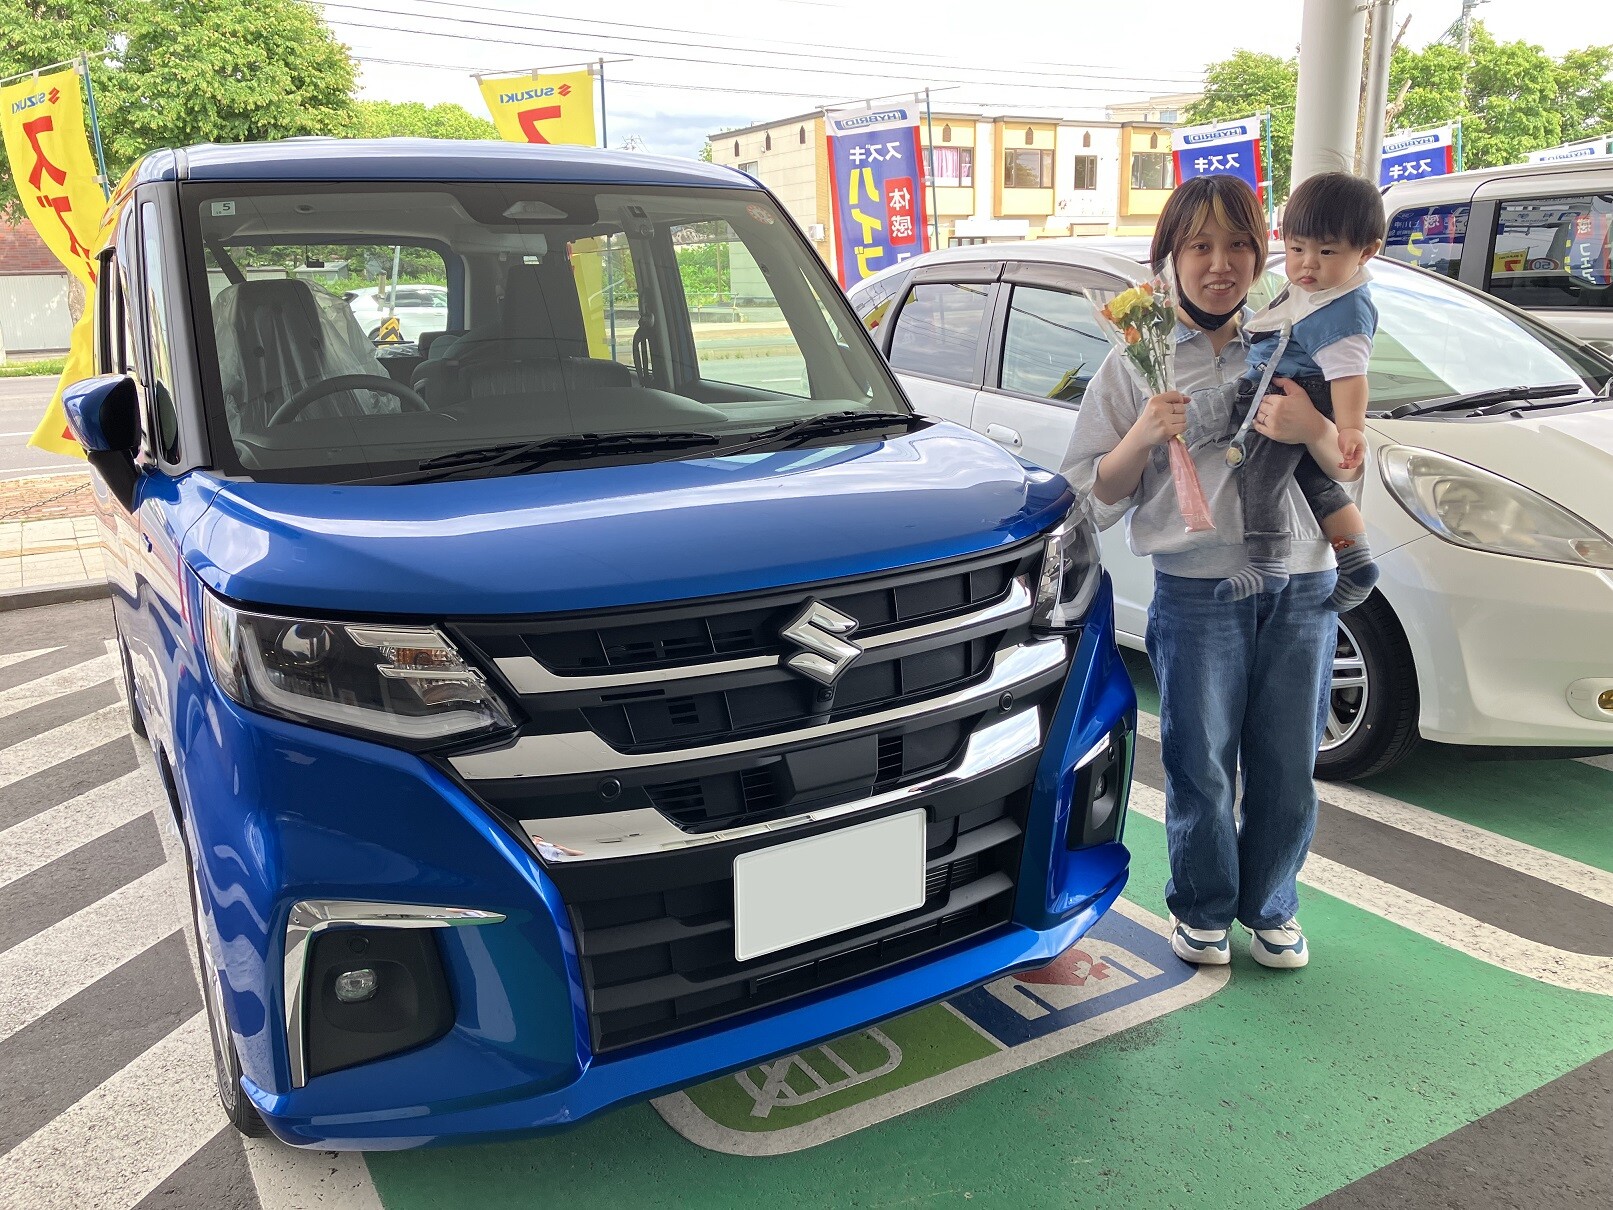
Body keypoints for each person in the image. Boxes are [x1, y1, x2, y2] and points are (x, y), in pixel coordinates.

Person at [1063, 174, 1363, 970]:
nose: (1220, 263)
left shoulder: (1298, 337)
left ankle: (1271, 906)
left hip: (1302, 584)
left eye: (1237, 245)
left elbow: (1351, 465)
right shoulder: (1135, 360)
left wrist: (1310, 425)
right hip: (1196, 593)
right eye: (1199, 246)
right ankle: (1201, 908)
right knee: (1199, 763)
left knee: (1287, 765)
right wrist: (1139, 437)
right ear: (1168, 256)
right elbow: (1089, 496)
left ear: (1261, 255)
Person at [1217, 172, 1386, 612]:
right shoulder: (1319, 291)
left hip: (1292, 397)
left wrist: (1349, 428)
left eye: (1326, 252)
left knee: (1259, 475)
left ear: (1366, 252)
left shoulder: (1343, 310)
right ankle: (1356, 558)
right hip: (1298, 394)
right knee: (1315, 482)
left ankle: (1267, 560)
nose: (1307, 263)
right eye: (1296, 249)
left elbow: (1350, 377)